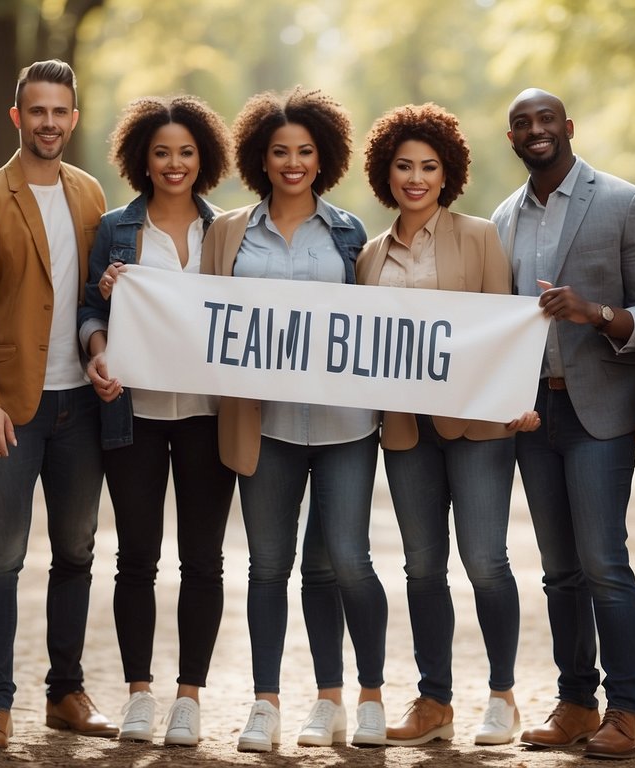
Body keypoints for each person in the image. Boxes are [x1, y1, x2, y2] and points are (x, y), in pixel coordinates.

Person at [198, 86, 389, 752]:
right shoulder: (227, 233)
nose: (292, 162)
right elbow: (197, 318)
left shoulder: (348, 234)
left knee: (345, 560)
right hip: (265, 425)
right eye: (280, 151)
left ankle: (356, 700)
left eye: (305, 151)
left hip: (346, 427)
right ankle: (265, 703)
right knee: (268, 565)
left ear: (325, 156)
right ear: (260, 157)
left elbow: (380, 328)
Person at [0, 59, 111, 754]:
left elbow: (95, 298)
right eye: (35, 111)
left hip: (82, 409)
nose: (48, 123)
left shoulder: (91, 194)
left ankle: (66, 693)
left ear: (73, 116)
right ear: (18, 117)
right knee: (3, 557)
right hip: (11, 410)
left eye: (59, 112)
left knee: (75, 552)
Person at [355, 102, 540, 748]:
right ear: (386, 173)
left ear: (447, 173)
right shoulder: (370, 256)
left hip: (478, 426)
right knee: (422, 567)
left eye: (428, 167)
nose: (416, 177)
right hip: (405, 432)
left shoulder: (480, 236)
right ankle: (435, 702)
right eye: (404, 166)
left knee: (486, 561)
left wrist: (517, 394)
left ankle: (502, 694)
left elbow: (505, 325)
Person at [489, 88, 635, 759]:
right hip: (535, 416)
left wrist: (595, 313)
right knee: (558, 571)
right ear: (512, 137)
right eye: (520, 123)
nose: (534, 131)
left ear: (567, 127)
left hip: (601, 411)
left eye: (544, 120)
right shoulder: (502, 220)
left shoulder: (623, 201)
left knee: (602, 562)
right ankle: (574, 702)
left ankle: (626, 712)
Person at [77, 95, 237, 747]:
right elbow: (89, 312)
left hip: (207, 417)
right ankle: (139, 693)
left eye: (186, 152)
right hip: (132, 415)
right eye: (162, 152)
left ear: (205, 158)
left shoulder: (230, 231)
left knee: (203, 559)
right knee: (136, 557)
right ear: (142, 158)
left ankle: (190, 697)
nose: (174, 164)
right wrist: (97, 349)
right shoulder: (117, 230)